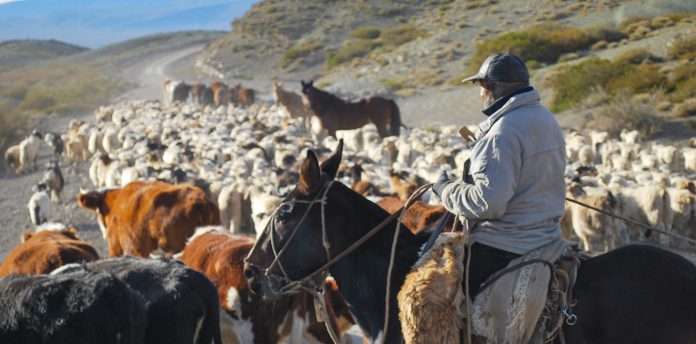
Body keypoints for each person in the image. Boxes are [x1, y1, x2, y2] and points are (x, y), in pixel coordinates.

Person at [431, 53, 566, 298]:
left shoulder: (501, 134)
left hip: (507, 243)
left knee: (432, 294)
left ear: (491, 87)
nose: (480, 95)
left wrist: (445, 189)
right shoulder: (546, 118)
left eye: (481, 87)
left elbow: (488, 203)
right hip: (549, 237)